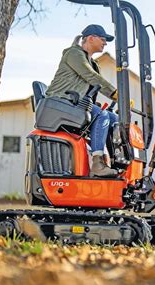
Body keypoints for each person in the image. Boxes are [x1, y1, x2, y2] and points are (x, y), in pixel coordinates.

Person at [46, 24, 119, 177]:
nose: (105, 43)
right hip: (61, 100)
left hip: (74, 103)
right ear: (91, 38)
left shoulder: (92, 62)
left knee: (114, 119)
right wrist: (114, 93)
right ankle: (98, 163)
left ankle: (114, 160)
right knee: (101, 115)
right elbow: (91, 77)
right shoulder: (74, 54)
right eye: (103, 39)